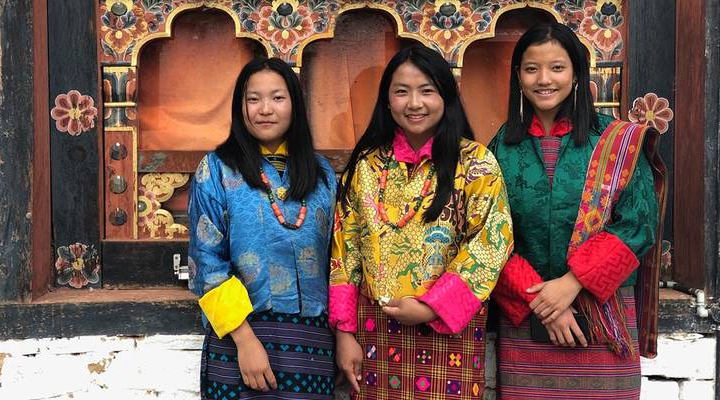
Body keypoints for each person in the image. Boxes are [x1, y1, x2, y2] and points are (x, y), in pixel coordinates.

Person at [489, 23, 664, 399]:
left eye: (557, 67)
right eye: (531, 68)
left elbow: (638, 225)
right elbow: (488, 234)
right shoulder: (502, 147)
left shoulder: (617, 140)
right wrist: (545, 304)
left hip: (603, 319)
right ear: (517, 76)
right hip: (527, 321)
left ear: (577, 74)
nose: (544, 79)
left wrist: (570, 286)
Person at [328, 45, 513, 399]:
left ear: (446, 96)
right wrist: (344, 333)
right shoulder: (366, 166)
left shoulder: (476, 164)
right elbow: (344, 250)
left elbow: (492, 244)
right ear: (386, 101)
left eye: (427, 90)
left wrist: (431, 306)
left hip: (449, 333)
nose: (414, 103)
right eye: (402, 91)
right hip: (374, 331)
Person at [188, 57, 337, 400]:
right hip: (240, 342)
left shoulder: (323, 175)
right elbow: (206, 263)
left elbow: (339, 259)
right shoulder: (217, 171)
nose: (265, 109)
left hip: (310, 345)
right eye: (253, 99)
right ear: (240, 106)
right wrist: (245, 341)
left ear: (295, 105)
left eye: (277, 98)